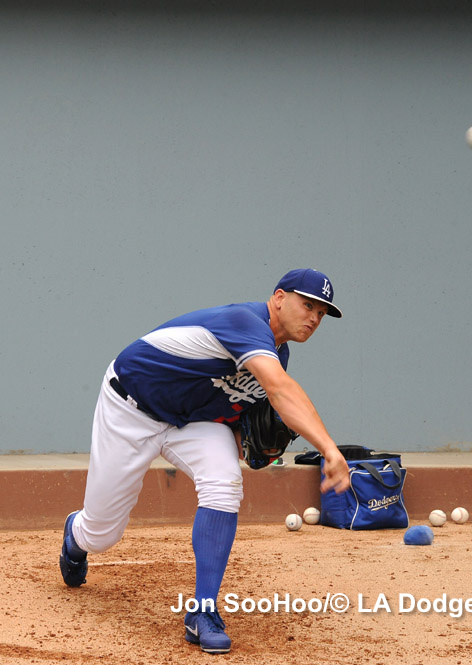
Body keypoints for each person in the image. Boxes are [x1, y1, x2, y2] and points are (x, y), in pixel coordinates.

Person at [59, 268, 352, 654]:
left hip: (191, 421)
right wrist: (330, 449)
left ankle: (203, 612)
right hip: (131, 408)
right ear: (279, 297)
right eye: (307, 304)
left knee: (225, 481)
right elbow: (281, 391)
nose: (314, 317)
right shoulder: (244, 323)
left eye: (322, 312)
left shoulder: (278, 355)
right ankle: (76, 536)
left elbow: (235, 413)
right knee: (103, 534)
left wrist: (246, 440)